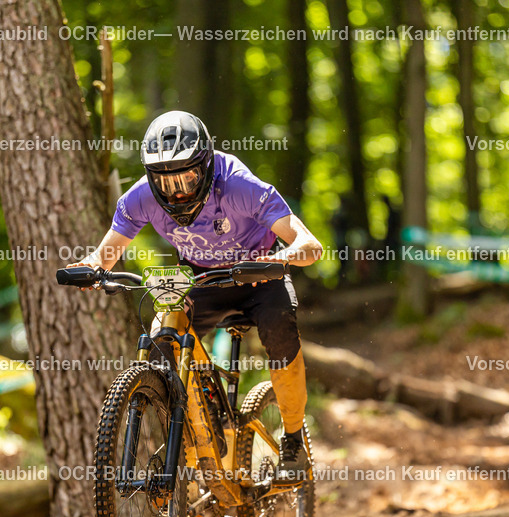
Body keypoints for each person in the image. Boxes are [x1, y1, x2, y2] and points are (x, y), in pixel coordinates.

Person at [67, 111, 323, 486]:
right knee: (162, 343)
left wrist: (282, 258)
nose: (177, 192)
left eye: (186, 178)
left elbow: (310, 245)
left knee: (281, 332)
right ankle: (196, 431)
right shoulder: (139, 198)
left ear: (205, 167)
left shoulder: (238, 185)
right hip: (201, 278)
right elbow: (105, 254)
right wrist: (90, 267)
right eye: (165, 182)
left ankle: (293, 441)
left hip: (259, 275)